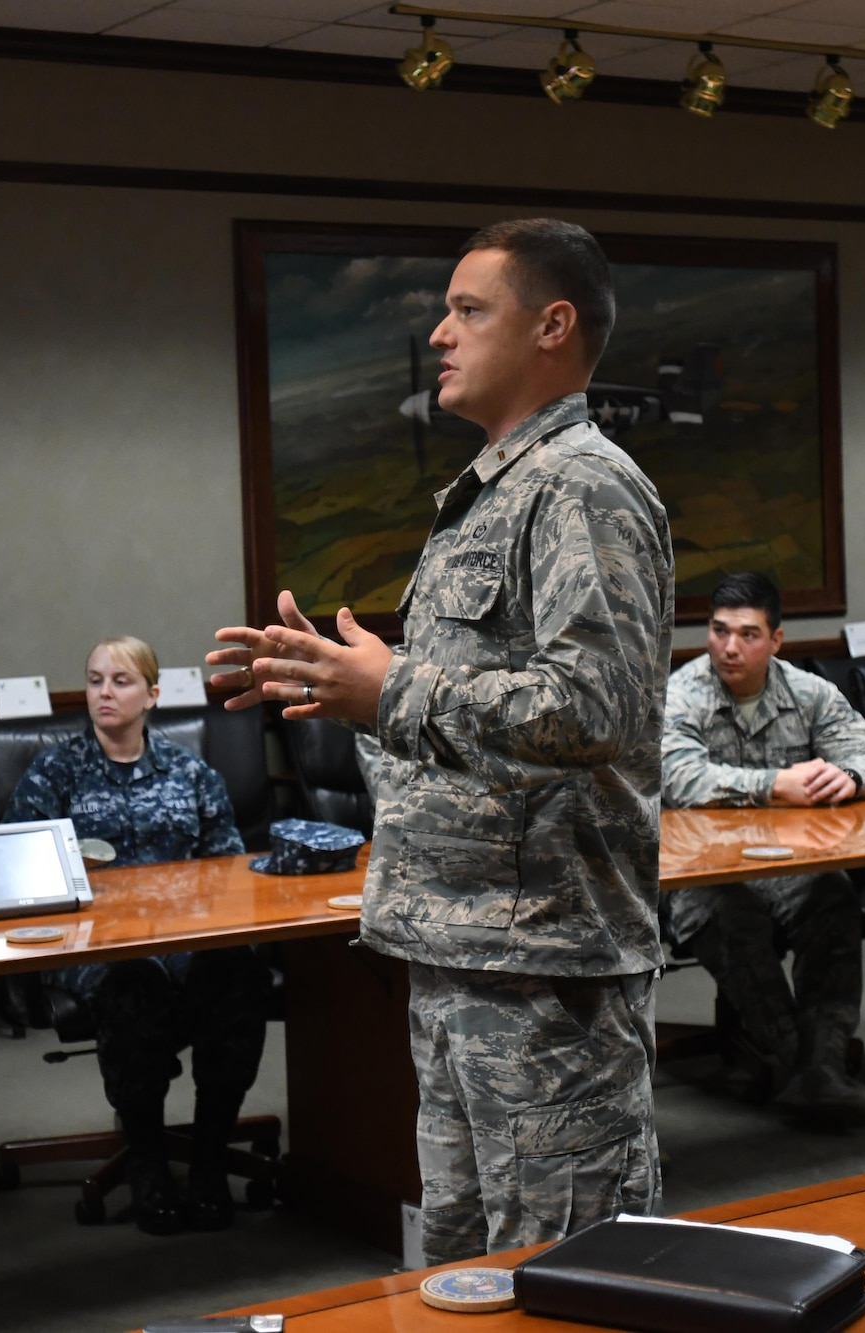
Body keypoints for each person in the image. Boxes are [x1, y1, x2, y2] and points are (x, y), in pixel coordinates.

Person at [209, 218, 672, 1264]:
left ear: (551, 326)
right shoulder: (489, 494)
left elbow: (596, 710)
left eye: (467, 309)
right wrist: (337, 687)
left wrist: (394, 688)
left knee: (570, 1268)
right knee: (466, 1272)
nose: (436, 333)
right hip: (462, 947)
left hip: (546, 965)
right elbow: (467, 724)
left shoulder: (580, 487)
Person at [3, 635, 262, 1237]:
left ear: (152, 694)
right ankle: (147, 1162)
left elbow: (228, 871)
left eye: (119, 682)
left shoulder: (190, 771)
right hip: (98, 945)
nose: (104, 693)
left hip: (189, 936)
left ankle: (207, 1159)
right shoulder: (56, 771)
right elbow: (16, 865)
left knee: (238, 978)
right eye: (94, 680)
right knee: (133, 986)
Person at [660, 572, 865, 1128]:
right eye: (719, 631)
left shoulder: (807, 692)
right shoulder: (682, 693)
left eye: (747, 634)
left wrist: (851, 778)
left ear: (777, 640)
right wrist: (774, 785)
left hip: (789, 864)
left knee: (834, 899)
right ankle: (803, 1068)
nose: (730, 647)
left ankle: (823, 1064)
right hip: (698, 871)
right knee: (733, 916)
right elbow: (679, 780)